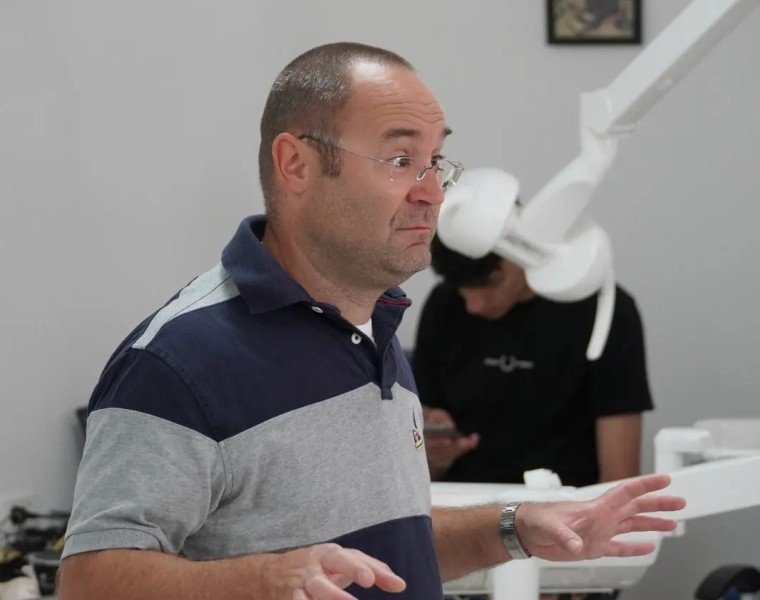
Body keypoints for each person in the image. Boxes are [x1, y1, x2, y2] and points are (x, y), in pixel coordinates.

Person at [58, 42, 683, 600]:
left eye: (437, 160)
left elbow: (383, 553)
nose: (434, 192)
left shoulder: (375, 328)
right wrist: (268, 582)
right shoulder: (176, 363)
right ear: (296, 164)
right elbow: (88, 584)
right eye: (400, 159)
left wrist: (511, 528)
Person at [416, 236, 653, 487]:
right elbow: (423, 464)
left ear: (523, 249)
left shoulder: (604, 311)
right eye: (460, 287)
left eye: (491, 282)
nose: (474, 306)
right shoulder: (444, 305)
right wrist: (435, 455)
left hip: (566, 497)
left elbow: (619, 477)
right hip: (464, 497)